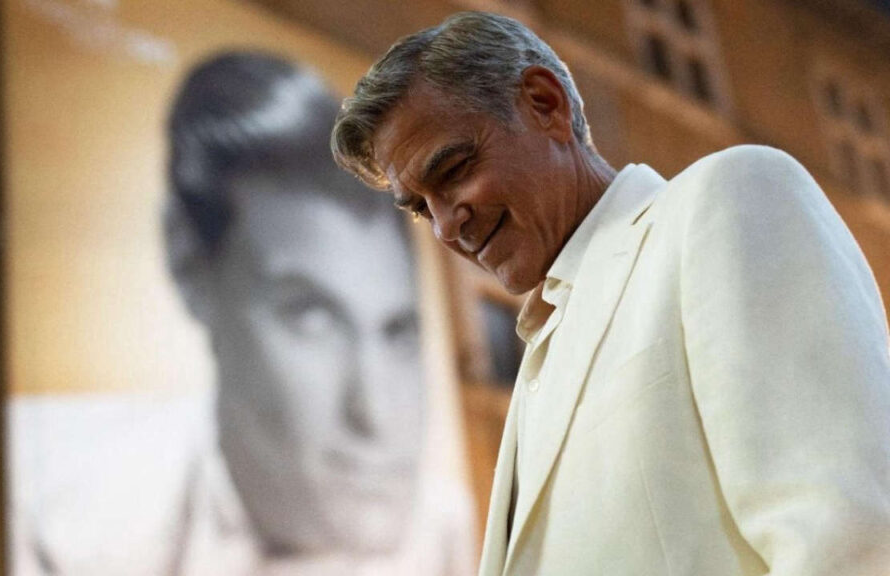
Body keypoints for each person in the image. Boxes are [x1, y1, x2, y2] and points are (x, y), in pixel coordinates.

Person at [332, 11, 890, 576]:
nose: (447, 227)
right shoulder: (540, 355)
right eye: (422, 208)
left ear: (545, 104)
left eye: (453, 170)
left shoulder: (731, 198)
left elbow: (847, 538)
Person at [165, 51, 474, 575]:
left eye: (397, 333)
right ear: (191, 269)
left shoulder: (451, 534)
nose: (374, 415)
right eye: (311, 319)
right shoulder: (60, 527)